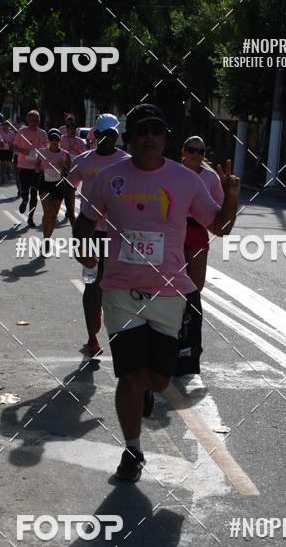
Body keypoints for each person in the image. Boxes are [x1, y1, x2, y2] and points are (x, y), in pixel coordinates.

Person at [74, 103, 240, 482]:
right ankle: (132, 449)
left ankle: (150, 390)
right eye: (143, 130)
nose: (150, 137)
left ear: (166, 138)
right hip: (120, 289)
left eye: (158, 131)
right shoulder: (110, 178)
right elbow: (85, 220)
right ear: (130, 137)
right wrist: (83, 248)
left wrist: (231, 194)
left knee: (160, 379)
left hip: (169, 293)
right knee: (129, 377)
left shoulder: (185, 180)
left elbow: (221, 227)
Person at [68, 113, 129, 358]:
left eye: (112, 134)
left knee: (117, 288)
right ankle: (92, 337)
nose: (108, 138)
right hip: (91, 235)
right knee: (92, 286)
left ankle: (121, 335)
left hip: (118, 236)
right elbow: (68, 188)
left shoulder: (127, 162)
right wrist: (75, 223)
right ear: (96, 135)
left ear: (117, 135)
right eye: (104, 134)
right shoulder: (83, 161)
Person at [181, 135, 224, 292]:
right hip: (175, 230)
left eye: (200, 152)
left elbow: (220, 207)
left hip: (198, 230)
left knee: (196, 285)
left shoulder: (211, 177)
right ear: (183, 152)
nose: (196, 155)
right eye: (191, 150)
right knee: (173, 281)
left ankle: (191, 312)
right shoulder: (173, 172)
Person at [34, 128, 71, 260]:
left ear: (60, 141)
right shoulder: (42, 152)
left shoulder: (65, 154)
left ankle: (48, 238)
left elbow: (69, 171)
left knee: (54, 215)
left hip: (58, 185)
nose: (55, 143)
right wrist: (38, 168)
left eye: (57, 141)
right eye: (52, 140)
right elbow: (37, 166)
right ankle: (45, 240)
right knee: (47, 212)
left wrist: (63, 167)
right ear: (49, 141)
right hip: (45, 184)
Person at [13, 110, 48, 228]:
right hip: (23, 166)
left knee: (34, 194)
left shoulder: (43, 133)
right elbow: (14, 146)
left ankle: (30, 217)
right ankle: (24, 201)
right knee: (25, 192)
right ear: (28, 120)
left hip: (36, 168)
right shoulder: (21, 132)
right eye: (31, 120)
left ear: (39, 121)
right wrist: (23, 151)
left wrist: (41, 163)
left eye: (36, 120)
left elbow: (45, 151)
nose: (34, 123)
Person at [60, 115, 87, 222]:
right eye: (70, 129)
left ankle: (68, 209)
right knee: (65, 188)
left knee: (72, 188)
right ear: (66, 130)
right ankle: (67, 207)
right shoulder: (62, 139)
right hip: (65, 166)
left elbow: (83, 154)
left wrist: (76, 150)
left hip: (76, 167)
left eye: (73, 129)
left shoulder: (80, 141)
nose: (71, 130)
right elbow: (59, 151)